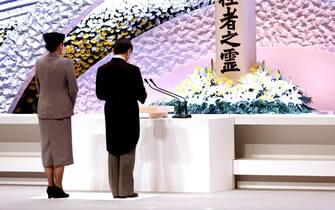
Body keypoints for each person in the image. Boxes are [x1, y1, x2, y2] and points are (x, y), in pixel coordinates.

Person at [96, 38, 147, 199]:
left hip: (111, 111)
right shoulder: (133, 70)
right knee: (128, 147)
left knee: (113, 148)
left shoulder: (102, 69)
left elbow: (100, 94)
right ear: (128, 51)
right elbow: (141, 95)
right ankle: (126, 190)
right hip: (128, 111)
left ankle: (115, 191)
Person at [35, 32, 78, 199]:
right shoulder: (66, 63)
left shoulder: (39, 62)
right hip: (61, 110)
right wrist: (69, 103)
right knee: (61, 149)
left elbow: (39, 86)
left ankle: (50, 185)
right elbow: (73, 89)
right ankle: (58, 186)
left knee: (47, 148)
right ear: (60, 45)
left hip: (44, 110)